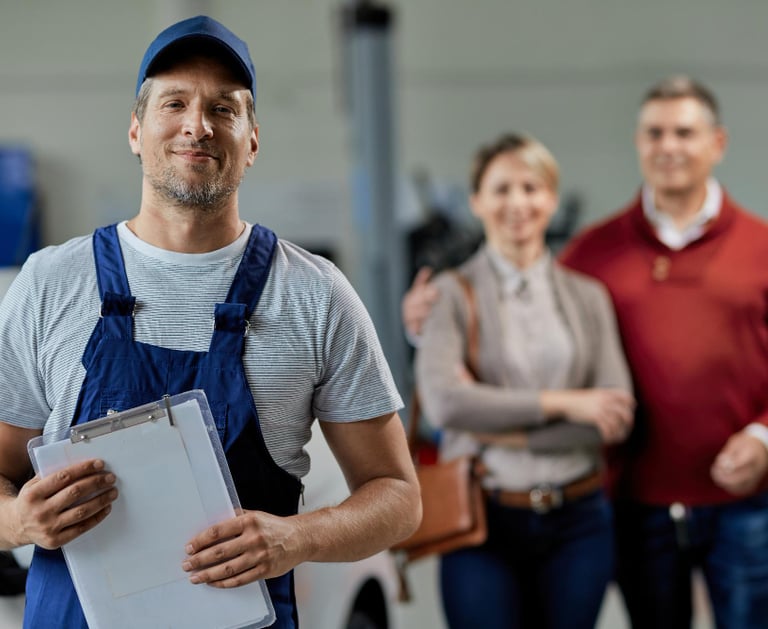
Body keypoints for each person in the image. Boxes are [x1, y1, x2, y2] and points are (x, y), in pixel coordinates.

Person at [0, 15, 420, 629]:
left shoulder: (315, 294)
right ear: (137, 130)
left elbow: (398, 497)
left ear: (252, 140)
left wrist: (295, 539)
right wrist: (17, 522)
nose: (198, 124)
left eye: (224, 108)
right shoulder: (49, 283)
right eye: (175, 103)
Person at [559, 75, 768, 629]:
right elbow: (526, 327)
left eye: (684, 132)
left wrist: (764, 436)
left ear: (717, 143)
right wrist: (428, 325)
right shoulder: (592, 253)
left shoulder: (762, 248)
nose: (668, 146)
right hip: (635, 504)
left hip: (749, 504)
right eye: (654, 132)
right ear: (638, 142)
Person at [415, 132, 635, 629]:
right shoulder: (449, 294)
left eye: (531, 188)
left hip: (579, 521)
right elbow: (445, 407)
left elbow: (614, 418)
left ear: (552, 199)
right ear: (477, 201)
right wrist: (568, 403)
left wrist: (494, 423)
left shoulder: (589, 297)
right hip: (483, 520)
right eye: (501, 189)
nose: (517, 202)